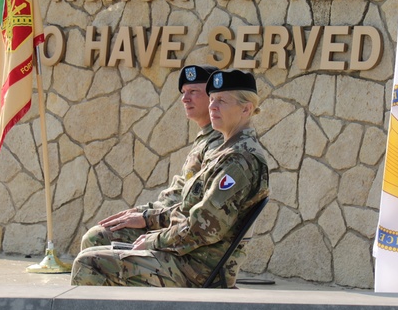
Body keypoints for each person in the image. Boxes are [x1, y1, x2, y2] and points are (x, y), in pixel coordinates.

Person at [71, 69, 269, 288]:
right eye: (212, 99)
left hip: (198, 268)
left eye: (221, 100)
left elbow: (203, 227)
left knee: (90, 264)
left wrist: (153, 240)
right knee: (95, 247)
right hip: (187, 256)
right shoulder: (225, 151)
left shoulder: (238, 160)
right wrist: (149, 218)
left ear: (246, 108)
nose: (212, 106)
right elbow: (188, 209)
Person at [80, 64, 222, 250]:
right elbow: (179, 192)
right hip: (170, 223)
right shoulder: (205, 137)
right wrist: (142, 211)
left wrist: (147, 218)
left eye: (193, 91)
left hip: (183, 237)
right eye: (183, 92)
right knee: (101, 233)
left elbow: (194, 205)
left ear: (213, 97)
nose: (185, 99)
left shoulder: (218, 143)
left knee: (96, 240)